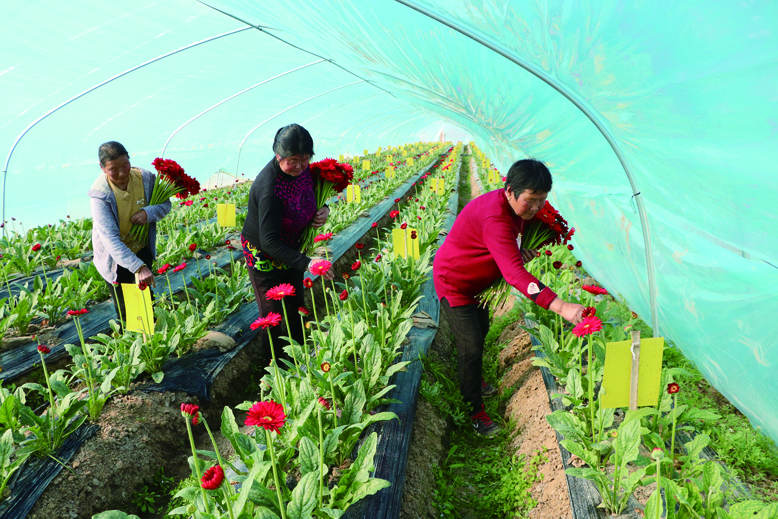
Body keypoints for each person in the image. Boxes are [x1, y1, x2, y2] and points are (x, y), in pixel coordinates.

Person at [433, 158, 584, 437]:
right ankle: (473, 411)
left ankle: (474, 382)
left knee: (483, 328)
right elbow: (515, 275)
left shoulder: (519, 212)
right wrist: (560, 306)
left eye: (542, 200)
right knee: (471, 343)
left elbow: (508, 251)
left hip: (479, 282)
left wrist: (519, 250)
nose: (538, 207)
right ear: (509, 190)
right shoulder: (496, 218)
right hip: (455, 282)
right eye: (532, 199)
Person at [241, 124, 334, 364]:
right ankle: (271, 372)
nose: (300, 166)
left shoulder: (303, 170)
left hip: (292, 246)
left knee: (296, 306)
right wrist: (308, 262)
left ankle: (301, 360)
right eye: (293, 160)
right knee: (271, 315)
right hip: (264, 254)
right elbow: (269, 241)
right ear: (278, 156)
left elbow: (315, 195)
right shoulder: (269, 188)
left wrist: (324, 210)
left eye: (305, 159)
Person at [89, 141, 172, 322]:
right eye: (113, 169)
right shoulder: (100, 195)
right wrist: (138, 267)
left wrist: (148, 213)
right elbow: (110, 239)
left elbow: (166, 204)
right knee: (129, 314)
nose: (121, 173)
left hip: (141, 249)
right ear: (102, 167)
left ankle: (152, 343)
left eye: (125, 165)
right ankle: (135, 346)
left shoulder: (146, 178)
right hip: (116, 260)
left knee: (145, 304)